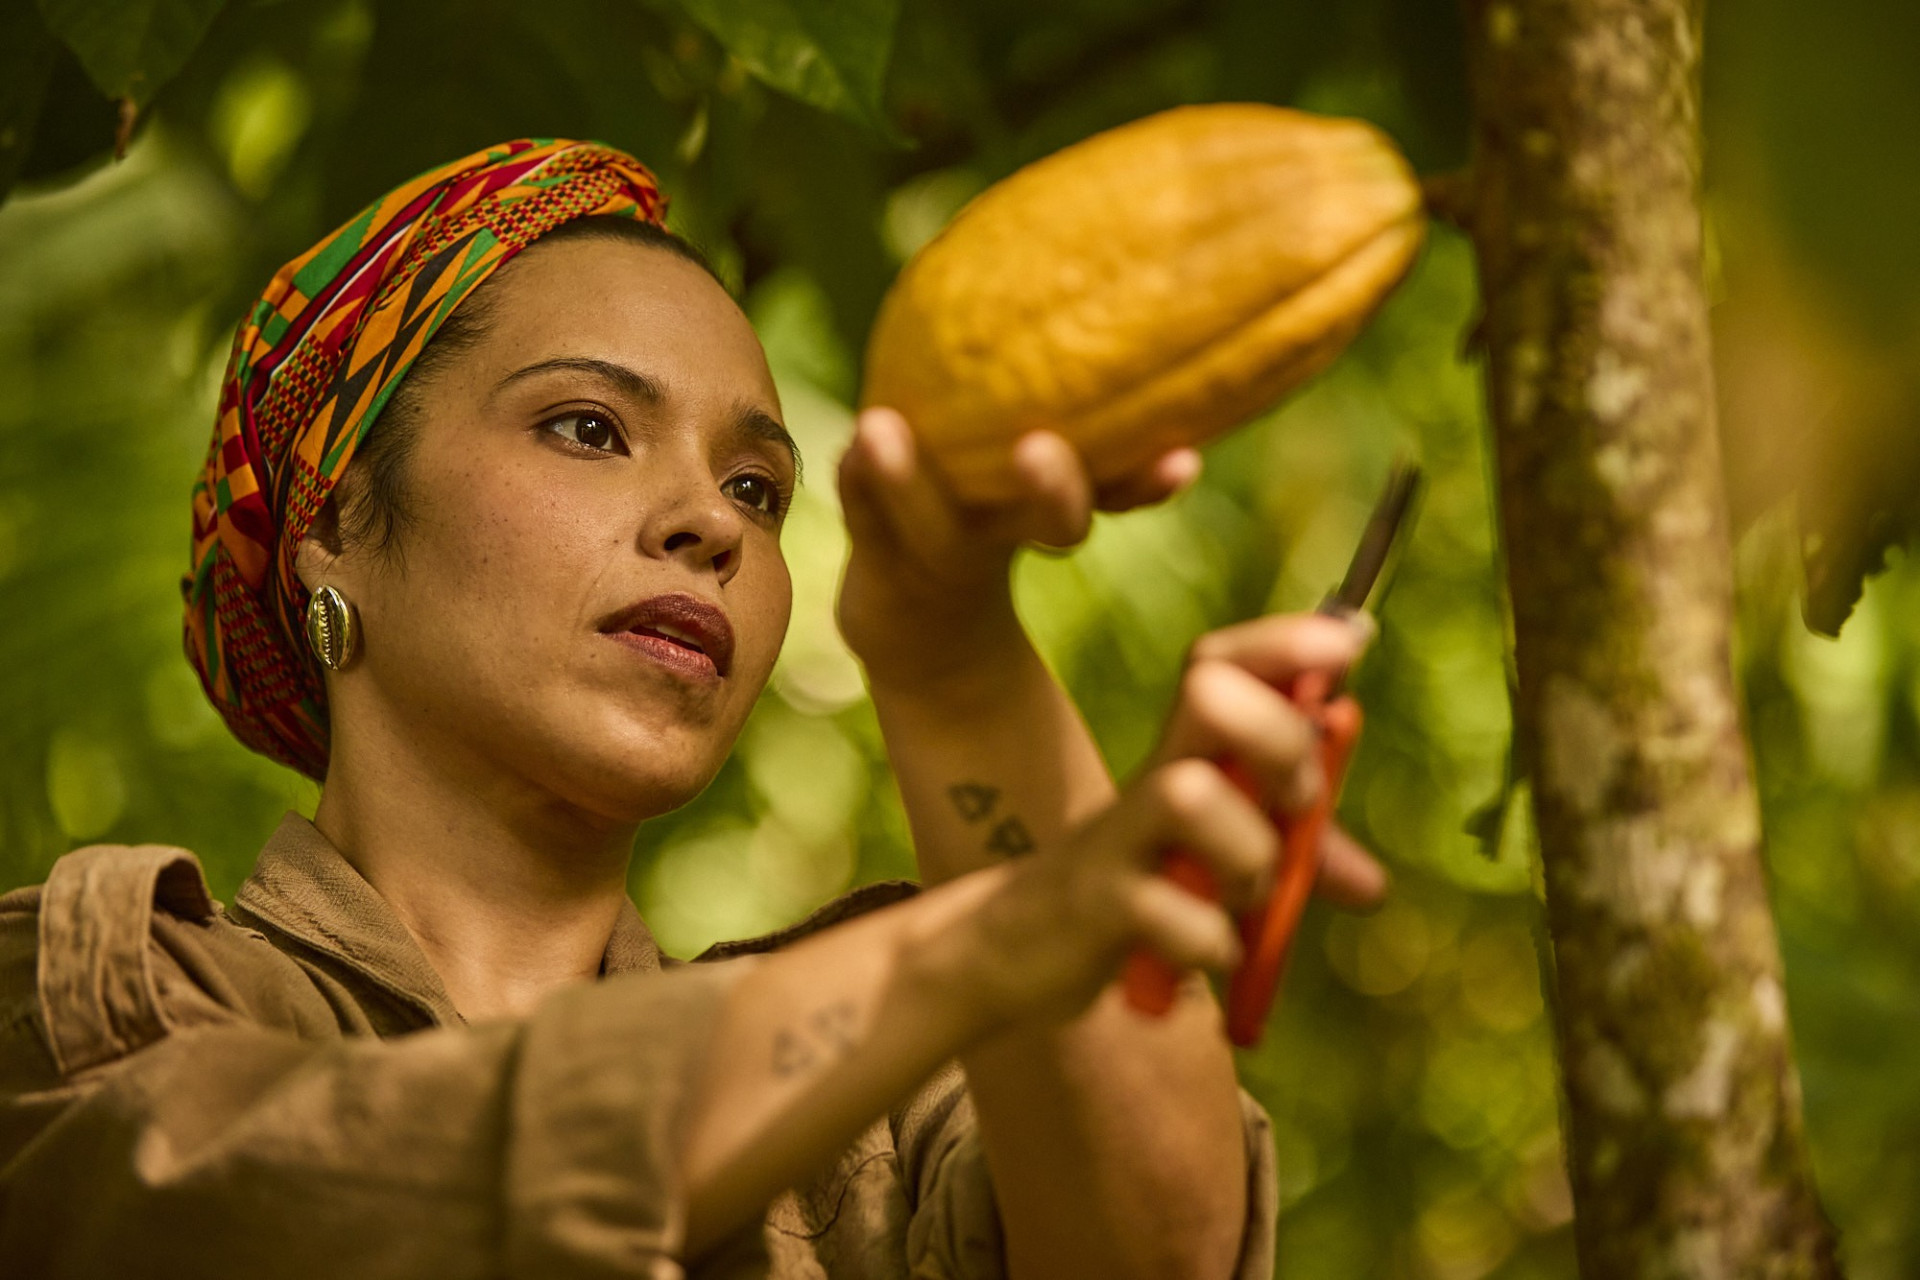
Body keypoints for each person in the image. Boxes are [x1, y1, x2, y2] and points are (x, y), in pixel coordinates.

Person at [0, 138, 1386, 1279]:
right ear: (338, 520)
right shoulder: (102, 1004)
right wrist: (1002, 934)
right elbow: (319, 1186)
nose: (710, 528)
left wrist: (954, 656)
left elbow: (1159, 1259)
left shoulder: (893, 1120)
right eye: (588, 427)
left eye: (757, 490)